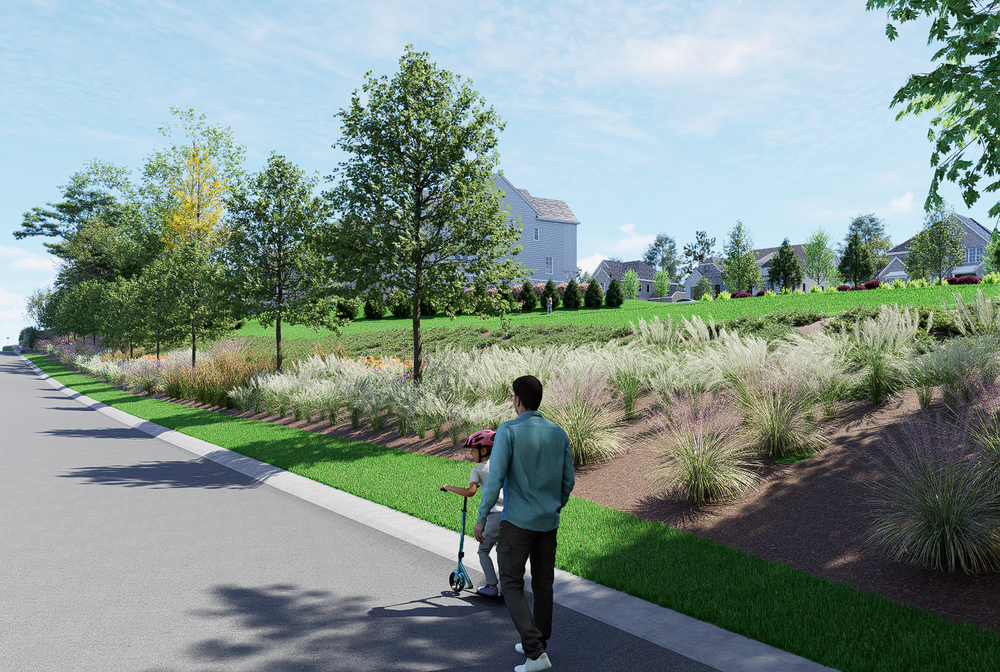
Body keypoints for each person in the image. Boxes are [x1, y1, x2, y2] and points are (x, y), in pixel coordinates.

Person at [475, 375, 575, 672]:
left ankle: (535, 653)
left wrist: (482, 517)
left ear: (517, 400)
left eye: (512, 397)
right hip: (548, 522)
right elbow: (568, 481)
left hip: (517, 523)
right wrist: (553, 506)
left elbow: (494, 479)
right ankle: (538, 642)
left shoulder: (508, 430)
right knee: (543, 583)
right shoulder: (558, 433)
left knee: (511, 582)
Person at [441, 429, 503, 598]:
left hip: (495, 515)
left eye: (473, 450)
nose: (470, 454)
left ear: (483, 450)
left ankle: (491, 586)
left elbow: (470, 492)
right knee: (504, 551)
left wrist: (448, 487)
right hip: (512, 514)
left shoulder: (478, 470)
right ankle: (508, 587)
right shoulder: (504, 464)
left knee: (483, 550)